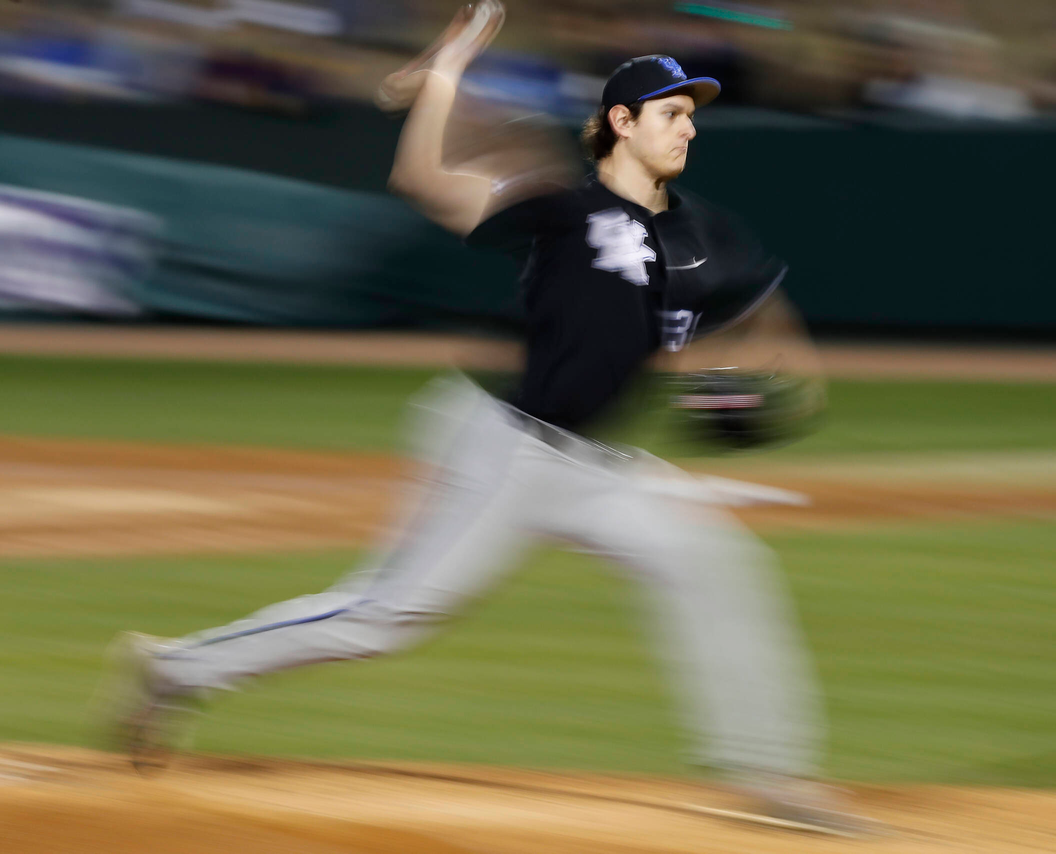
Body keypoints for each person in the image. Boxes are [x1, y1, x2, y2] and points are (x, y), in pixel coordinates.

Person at [100, 0, 867, 835]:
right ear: (621, 121)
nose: (688, 128)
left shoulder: (703, 233)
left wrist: (793, 378)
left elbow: (764, 304)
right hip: (506, 447)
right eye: (672, 113)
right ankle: (174, 671)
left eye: (692, 115)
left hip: (600, 466)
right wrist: (443, 76)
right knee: (384, 618)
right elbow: (424, 180)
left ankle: (775, 780)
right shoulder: (557, 212)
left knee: (714, 561)